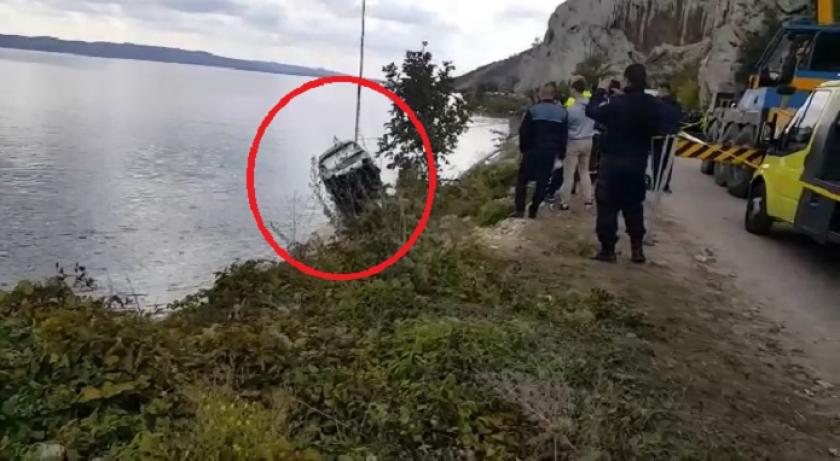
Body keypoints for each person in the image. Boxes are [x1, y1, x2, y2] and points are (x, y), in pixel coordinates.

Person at [586, 64, 661, 263]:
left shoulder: (617, 103)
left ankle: (607, 249)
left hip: (612, 161)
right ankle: (637, 250)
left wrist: (600, 91)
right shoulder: (651, 104)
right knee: (633, 205)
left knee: (607, 205)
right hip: (637, 162)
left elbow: (593, 111)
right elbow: (665, 122)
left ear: (627, 80)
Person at [515, 82, 569, 219]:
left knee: (522, 180)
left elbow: (523, 132)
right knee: (543, 182)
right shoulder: (562, 112)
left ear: (541, 94)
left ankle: (519, 210)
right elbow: (564, 135)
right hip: (549, 153)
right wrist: (561, 154)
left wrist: (523, 149)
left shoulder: (533, 110)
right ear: (554, 95)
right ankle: (534, 208)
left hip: (532, 151)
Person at [557, 78, 596, 210]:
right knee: (584, 171)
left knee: (569, 174)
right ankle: (588, 199)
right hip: (588, 140)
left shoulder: (572, 108)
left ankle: (564, 202)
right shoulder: (591, 105)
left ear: (574, 90)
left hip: (573, 142)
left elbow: (564, 123)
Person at [651, 83, 683, 193]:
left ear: (663, 90)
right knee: (668, 161)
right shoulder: (676, 104)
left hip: (658, 136)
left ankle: (656, 183)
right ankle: (665, 185)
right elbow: (680, 119)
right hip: (672, 136)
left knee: (657, 160)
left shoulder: (657, 103)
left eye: (659, 90)